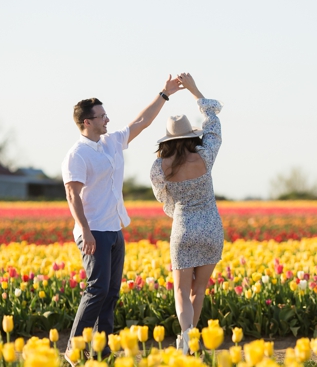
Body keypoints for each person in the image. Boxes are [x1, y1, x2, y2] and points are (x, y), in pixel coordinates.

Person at [62, 75, 183, 363]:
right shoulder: (77, 154)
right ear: (86, 122)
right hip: (94, 231)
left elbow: (142, 121)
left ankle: (100, 350)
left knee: (111, 293)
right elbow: (72, 195)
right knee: (97, 289)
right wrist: (84, 230)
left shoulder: (111, 142)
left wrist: (164, 94)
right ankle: (74, 351)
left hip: (114, 228)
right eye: (101, 116)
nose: (107, 119)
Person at [147, 73, 224, 353]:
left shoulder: (159, 167)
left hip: (183, 228)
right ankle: (190, 340)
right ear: (191, 135)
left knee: (180, 290)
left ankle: (186, 333)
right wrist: (195, 90)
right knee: (198, 289)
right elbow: (213, 125)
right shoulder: (205, 155)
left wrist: (178, 210)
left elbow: (162, 197)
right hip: (211, 227)